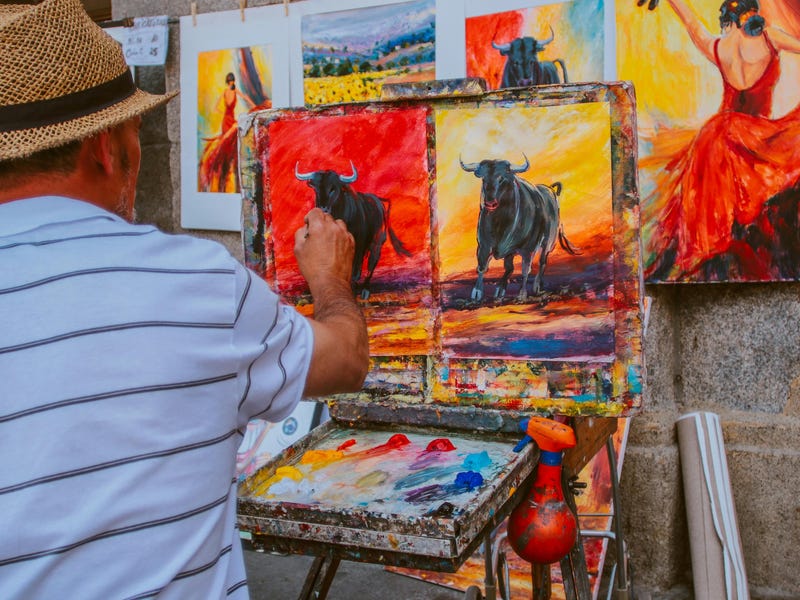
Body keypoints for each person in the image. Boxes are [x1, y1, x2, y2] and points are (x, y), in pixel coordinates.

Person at [0, 1, 368, 598]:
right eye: (136, 130)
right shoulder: (197, 284)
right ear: (106, 146)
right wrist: (329, 279)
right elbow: (346, 358)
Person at [641, 0, 800, 280]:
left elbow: (691, 23)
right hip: (745, 135)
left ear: (727, 22)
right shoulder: (769, 37)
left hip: (716, 134)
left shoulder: (716, 47)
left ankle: (705, 252)